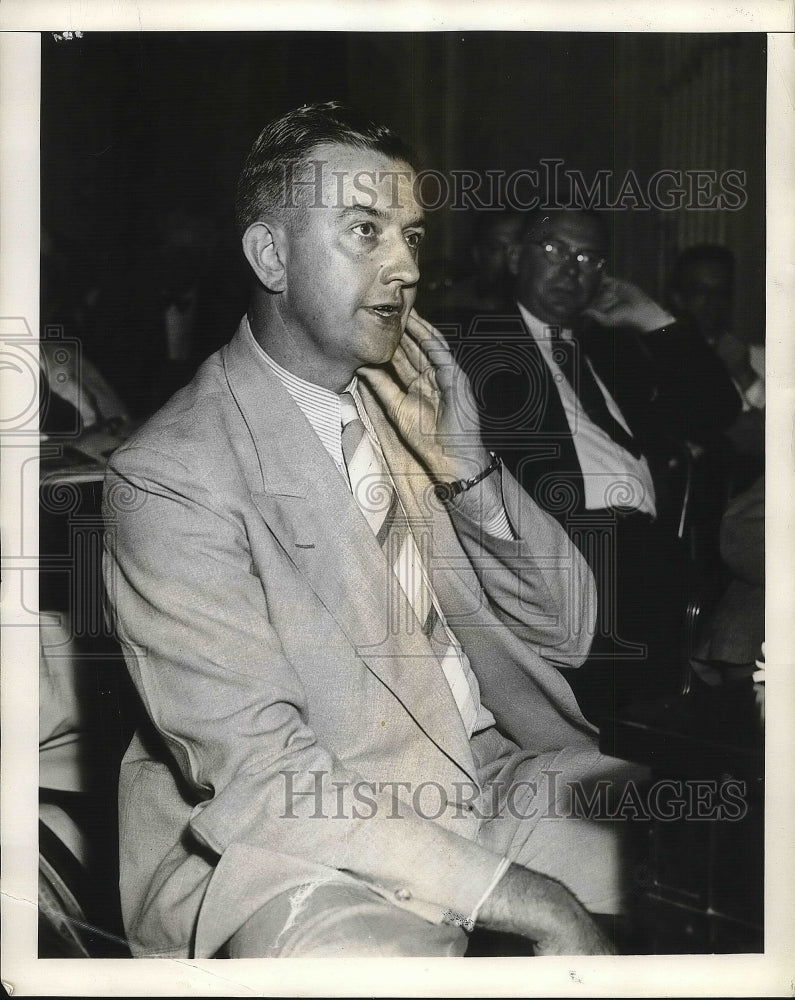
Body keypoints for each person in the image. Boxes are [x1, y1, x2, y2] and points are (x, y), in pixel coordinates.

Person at [103, 104, 646, 960]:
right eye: (364, 231)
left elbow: (570, 628)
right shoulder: (171, 473)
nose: (403, 267)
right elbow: (262, 780)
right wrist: (518, 894)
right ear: (270, 255)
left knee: (726, 857)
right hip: (295, 843)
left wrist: (467, 472)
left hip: (491, 778)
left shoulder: (412, 402)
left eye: (412, 237)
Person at [444, 208, 743, 720]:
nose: (571, 269)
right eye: (553, 250)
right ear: (516, 257)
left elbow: (718, 408)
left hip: (647, 554)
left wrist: (654, 319)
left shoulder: (617, 350)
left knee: (662, 725)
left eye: (587, 257)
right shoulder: (473, 342)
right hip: (562, 552)